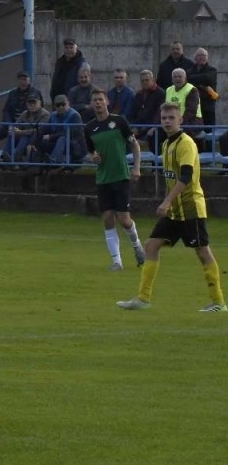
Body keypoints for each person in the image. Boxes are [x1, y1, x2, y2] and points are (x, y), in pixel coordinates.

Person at [117, 102, 225, 314]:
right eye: (164, 118)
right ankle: (143, 298)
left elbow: (186, 176)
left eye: (171, 118)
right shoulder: (166, 144)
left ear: (180, 120)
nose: (167, 121)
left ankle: (218, 302)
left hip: (191, 207)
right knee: (151, 246)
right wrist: (169, 202)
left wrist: (166, 201)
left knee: (202, 251)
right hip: (175, 211)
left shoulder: (186, 143)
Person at [85, 89, 145, 271]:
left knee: (124, 219)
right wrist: (94, 157)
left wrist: (136, 167)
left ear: (107, 102)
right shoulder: (89, 128)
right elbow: (91, 151)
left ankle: (137, 246)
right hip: (103, 178)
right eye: (95, 100)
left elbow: (134, 145)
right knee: (107, 218)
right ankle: (117, 261)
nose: (98, 103)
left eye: (100, 99)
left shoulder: (119, 122)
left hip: (120, 175)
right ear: (91, 104)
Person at [0, 72, 41, 153]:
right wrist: (9, 124)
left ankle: (12, 156)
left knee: (19, 137)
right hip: (12, 124)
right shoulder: (12, 93)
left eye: (25, 79)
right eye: (20, 79)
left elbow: (39, 110)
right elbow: (6, 110)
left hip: (27, 125)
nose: (22, 82)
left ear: (29, 80)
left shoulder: (35, 92)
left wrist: (24, 126)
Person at [187, 48, 218, 135]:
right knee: (195, 134)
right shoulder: (189, 71)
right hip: (193, 109)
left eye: (204, 55)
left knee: (209, 134)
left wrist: (193, 79)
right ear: (195, 58)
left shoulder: (212, 70)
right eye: (199, 55)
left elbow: (208, 78)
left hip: (207, 108)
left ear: (207, 58)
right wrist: (203, 85)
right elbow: (187, 80)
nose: (202, 57)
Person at [50, 38, 86, 103]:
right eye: (66, 48)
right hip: (58, 100)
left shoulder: (82, 64)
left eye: (71, 48)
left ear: (76, 48)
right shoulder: (60, 62)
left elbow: (84, 84)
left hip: (73, 101)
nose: (69, 50)